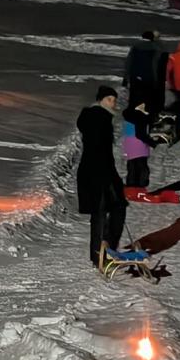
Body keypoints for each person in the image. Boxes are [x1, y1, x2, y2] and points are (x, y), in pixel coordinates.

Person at [76, 86, 128, 266]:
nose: (112, 103)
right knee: (105, 211)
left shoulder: (95, 116)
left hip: (95, 171)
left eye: (114, 100)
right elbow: (100, 150)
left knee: (106, 210)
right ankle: (102, 252)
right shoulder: (100, 117)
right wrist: (108, 175)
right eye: (109, 100)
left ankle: (102, 251)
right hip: (98, 172)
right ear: (100, 100)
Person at [123, 101, 167, 188]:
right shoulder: (141, 117)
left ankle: (131, 186)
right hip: (139, 146)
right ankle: (140, 185)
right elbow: (140, 134)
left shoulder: (130, 116)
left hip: (129, 145)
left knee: (132, 166)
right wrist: (152, 143)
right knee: (142, 167)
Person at [123, 30, 163, 109]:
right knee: (147, 98)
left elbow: (128, 62)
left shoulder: (135, 46)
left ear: (142, 36)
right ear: (152, 38)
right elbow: (155, 65)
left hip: (134, 75)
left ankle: (132, 111)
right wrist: (156, 80)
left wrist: (125, 78)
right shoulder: (156, 48)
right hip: (148, 77)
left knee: (133, 97)